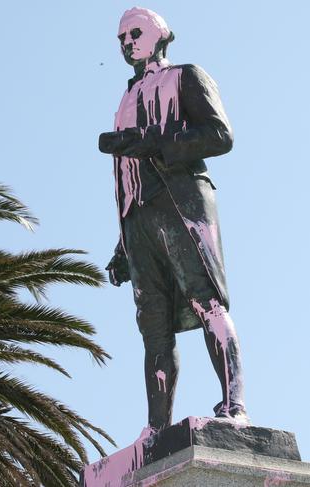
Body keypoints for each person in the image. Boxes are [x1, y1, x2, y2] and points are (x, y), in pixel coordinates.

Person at [99, 7, 248, 432]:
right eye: (121, 38)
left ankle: (234, 407)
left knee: (208, 303)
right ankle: (157, 429)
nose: (127, 42)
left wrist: (152, 143)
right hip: (139, 220)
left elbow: (221, 135)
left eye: (134, 32)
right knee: (154, 329)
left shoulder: (185, 76)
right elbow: (124, 177)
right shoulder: (124, 101)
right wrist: (122, 245)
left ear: (161, 35)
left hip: (183, 205)